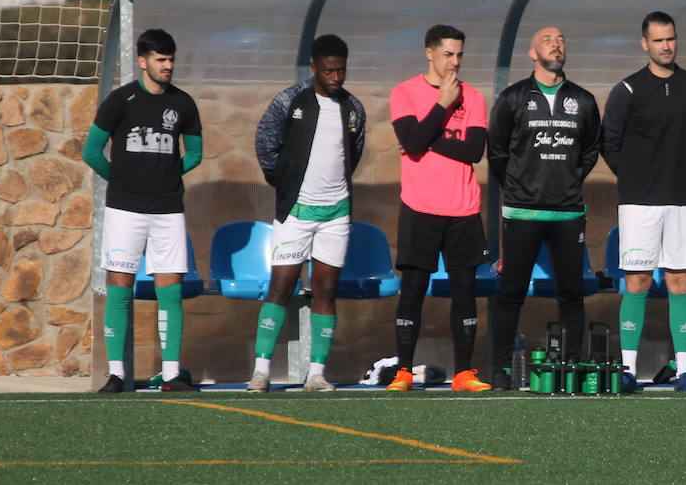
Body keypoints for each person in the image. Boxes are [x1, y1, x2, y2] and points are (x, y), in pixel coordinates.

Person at [83, 28, 203, 393]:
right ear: (142, 61)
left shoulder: (183, 103)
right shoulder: (120, 100)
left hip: (167, 211)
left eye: (171, 59)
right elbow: (91, 152)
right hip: (125, 210)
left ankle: (170, 375)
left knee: (170, 292)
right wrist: (123, 180)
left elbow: (195, 154)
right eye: (160, 60)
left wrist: (165, 176)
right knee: (120, 289)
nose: (168, 66)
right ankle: (116, 374)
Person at [602, 11, 686, 392]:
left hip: (683, 200)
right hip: (639, 203)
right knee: (635, 282)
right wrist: (638, 178)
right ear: (644, 44)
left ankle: (685, 370)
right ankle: (629, 371)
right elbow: (611, 143)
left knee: (680, 281)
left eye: (670, 39)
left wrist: (679, 170)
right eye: (658, 40)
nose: (666, 46)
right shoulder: (628, 90)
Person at [248, 34, 366, 392]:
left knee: (326, 291)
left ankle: (316, 373)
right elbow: (265, 142)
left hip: (336, 214)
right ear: (313, 67)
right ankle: (261, 371)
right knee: (281, 286)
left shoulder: (353, 107)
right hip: (295, 212)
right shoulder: (289, 100)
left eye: (341, 70)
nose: (336, 77)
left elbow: (354, 151)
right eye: (328, 71)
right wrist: (282, 181)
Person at [487, 26, 601, 389]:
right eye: (548, 40)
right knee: (510, 293)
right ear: (532, 53)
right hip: (523, 213)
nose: (557, 43)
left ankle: (569, 368)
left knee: (571, 294)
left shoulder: (582, 100)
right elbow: (498, 152)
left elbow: (589, 151)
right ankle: (501, 371)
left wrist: (566, 181)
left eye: (562, 39)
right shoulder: (512, 98)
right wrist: (521, 187)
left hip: (567, 213)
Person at [386, 24, 492, 392]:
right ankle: (403, 371)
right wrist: (442, 105)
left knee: (465, 290)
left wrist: (424, 144)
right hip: (420, 207)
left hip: (463, 209)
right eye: (448, 54)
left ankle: (463, 373)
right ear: (429, 53)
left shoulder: (474, 97)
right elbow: (409, 138)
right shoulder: (404, 92)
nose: (455, 62)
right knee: (413, 288)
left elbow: (472, 151)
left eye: (460, 55)